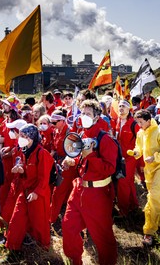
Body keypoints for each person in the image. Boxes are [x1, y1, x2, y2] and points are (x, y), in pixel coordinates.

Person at [62, 99, 118, 265]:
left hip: (98, 194)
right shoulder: (80, 136)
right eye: (82, 113)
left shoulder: (106, 140)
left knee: (103, 236)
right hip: (79, 189)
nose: (83, 117)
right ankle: (75, 260)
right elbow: (79, 158)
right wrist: (71, 161)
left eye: (88, 114)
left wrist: (91, 156)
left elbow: (110, 169)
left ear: (96, 118)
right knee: (68, 227)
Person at [5, 124, 53, 258]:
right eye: (21, 136)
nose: (22, 139)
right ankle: (12, 248)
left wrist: (36, 193)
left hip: (39, 194)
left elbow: (44, 178)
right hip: (25, 191)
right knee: (16, 220)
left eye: (25, 136)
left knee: (40, 223)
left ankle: (44, 250)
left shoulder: (42, 154)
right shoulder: (24, 151)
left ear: (32, 138)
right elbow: (27, 172)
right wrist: (21, 171)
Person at [129, 109, 160, 246]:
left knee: (153, 196)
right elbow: (139, 146)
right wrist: (136, 152)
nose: (139, 125)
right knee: (156, 197)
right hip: (149, 170)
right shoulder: (140, 133)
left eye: (141, 122)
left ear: (148, 120)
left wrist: (155, 157)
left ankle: (149, 231)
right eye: (137, 122)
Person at [115, 100, 141, 217]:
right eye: (119, 106)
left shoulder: (133, 124)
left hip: (130, 158)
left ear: (129, 109)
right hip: (119, 157)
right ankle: (134, 205)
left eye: (124, 106)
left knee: (123, 182)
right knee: (129, 181)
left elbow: (140, 141)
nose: (121, 108)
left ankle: (123, 211)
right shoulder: (118, 120)